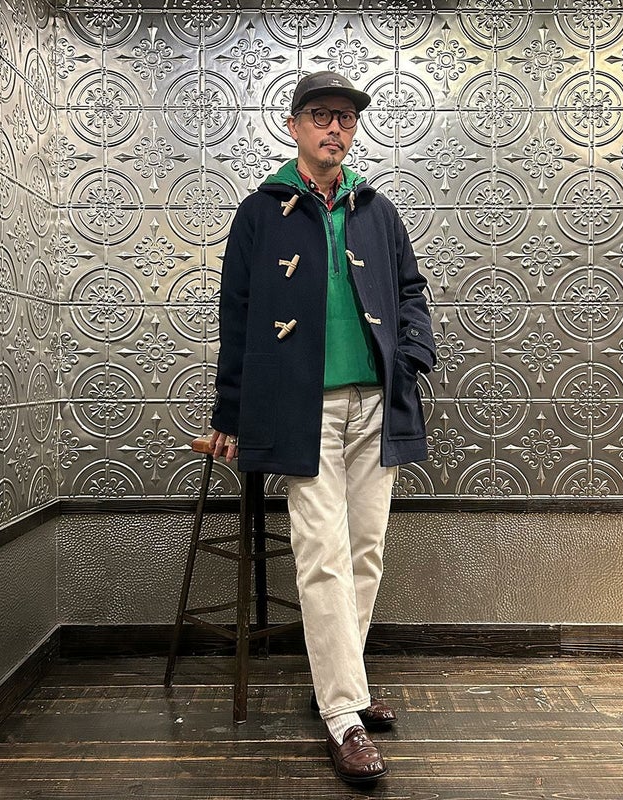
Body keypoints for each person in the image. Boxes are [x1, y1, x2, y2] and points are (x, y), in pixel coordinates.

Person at [208, 70, 436, 785]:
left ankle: (342, 685)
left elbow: (410, 290)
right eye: (320, 115)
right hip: (300, 409)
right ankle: (343, 715)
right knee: (323, 555)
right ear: (295, 126)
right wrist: (229, 414)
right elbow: (238, 316)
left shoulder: (378, 210)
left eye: (345, 117)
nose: (335, 127)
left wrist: (412, 354)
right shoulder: (259, 212)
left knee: (365, 552)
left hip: (377, 405)